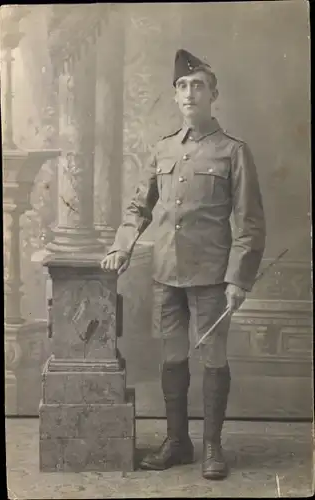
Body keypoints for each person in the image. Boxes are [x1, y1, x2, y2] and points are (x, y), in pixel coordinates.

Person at [101, 49, 266, 480]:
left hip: (212, 277)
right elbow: (140, 206)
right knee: (172, 357)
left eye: (198, 85)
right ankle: (178, 442)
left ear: (214, 94)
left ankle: (213, 447)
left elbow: (249, 223)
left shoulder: (233, 152)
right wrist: (123, 245)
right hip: (165, 274)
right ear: (175, 96)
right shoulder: (162, 149)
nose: (189, 92)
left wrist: (239, 279)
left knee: (212, 358)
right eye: (182, 86)